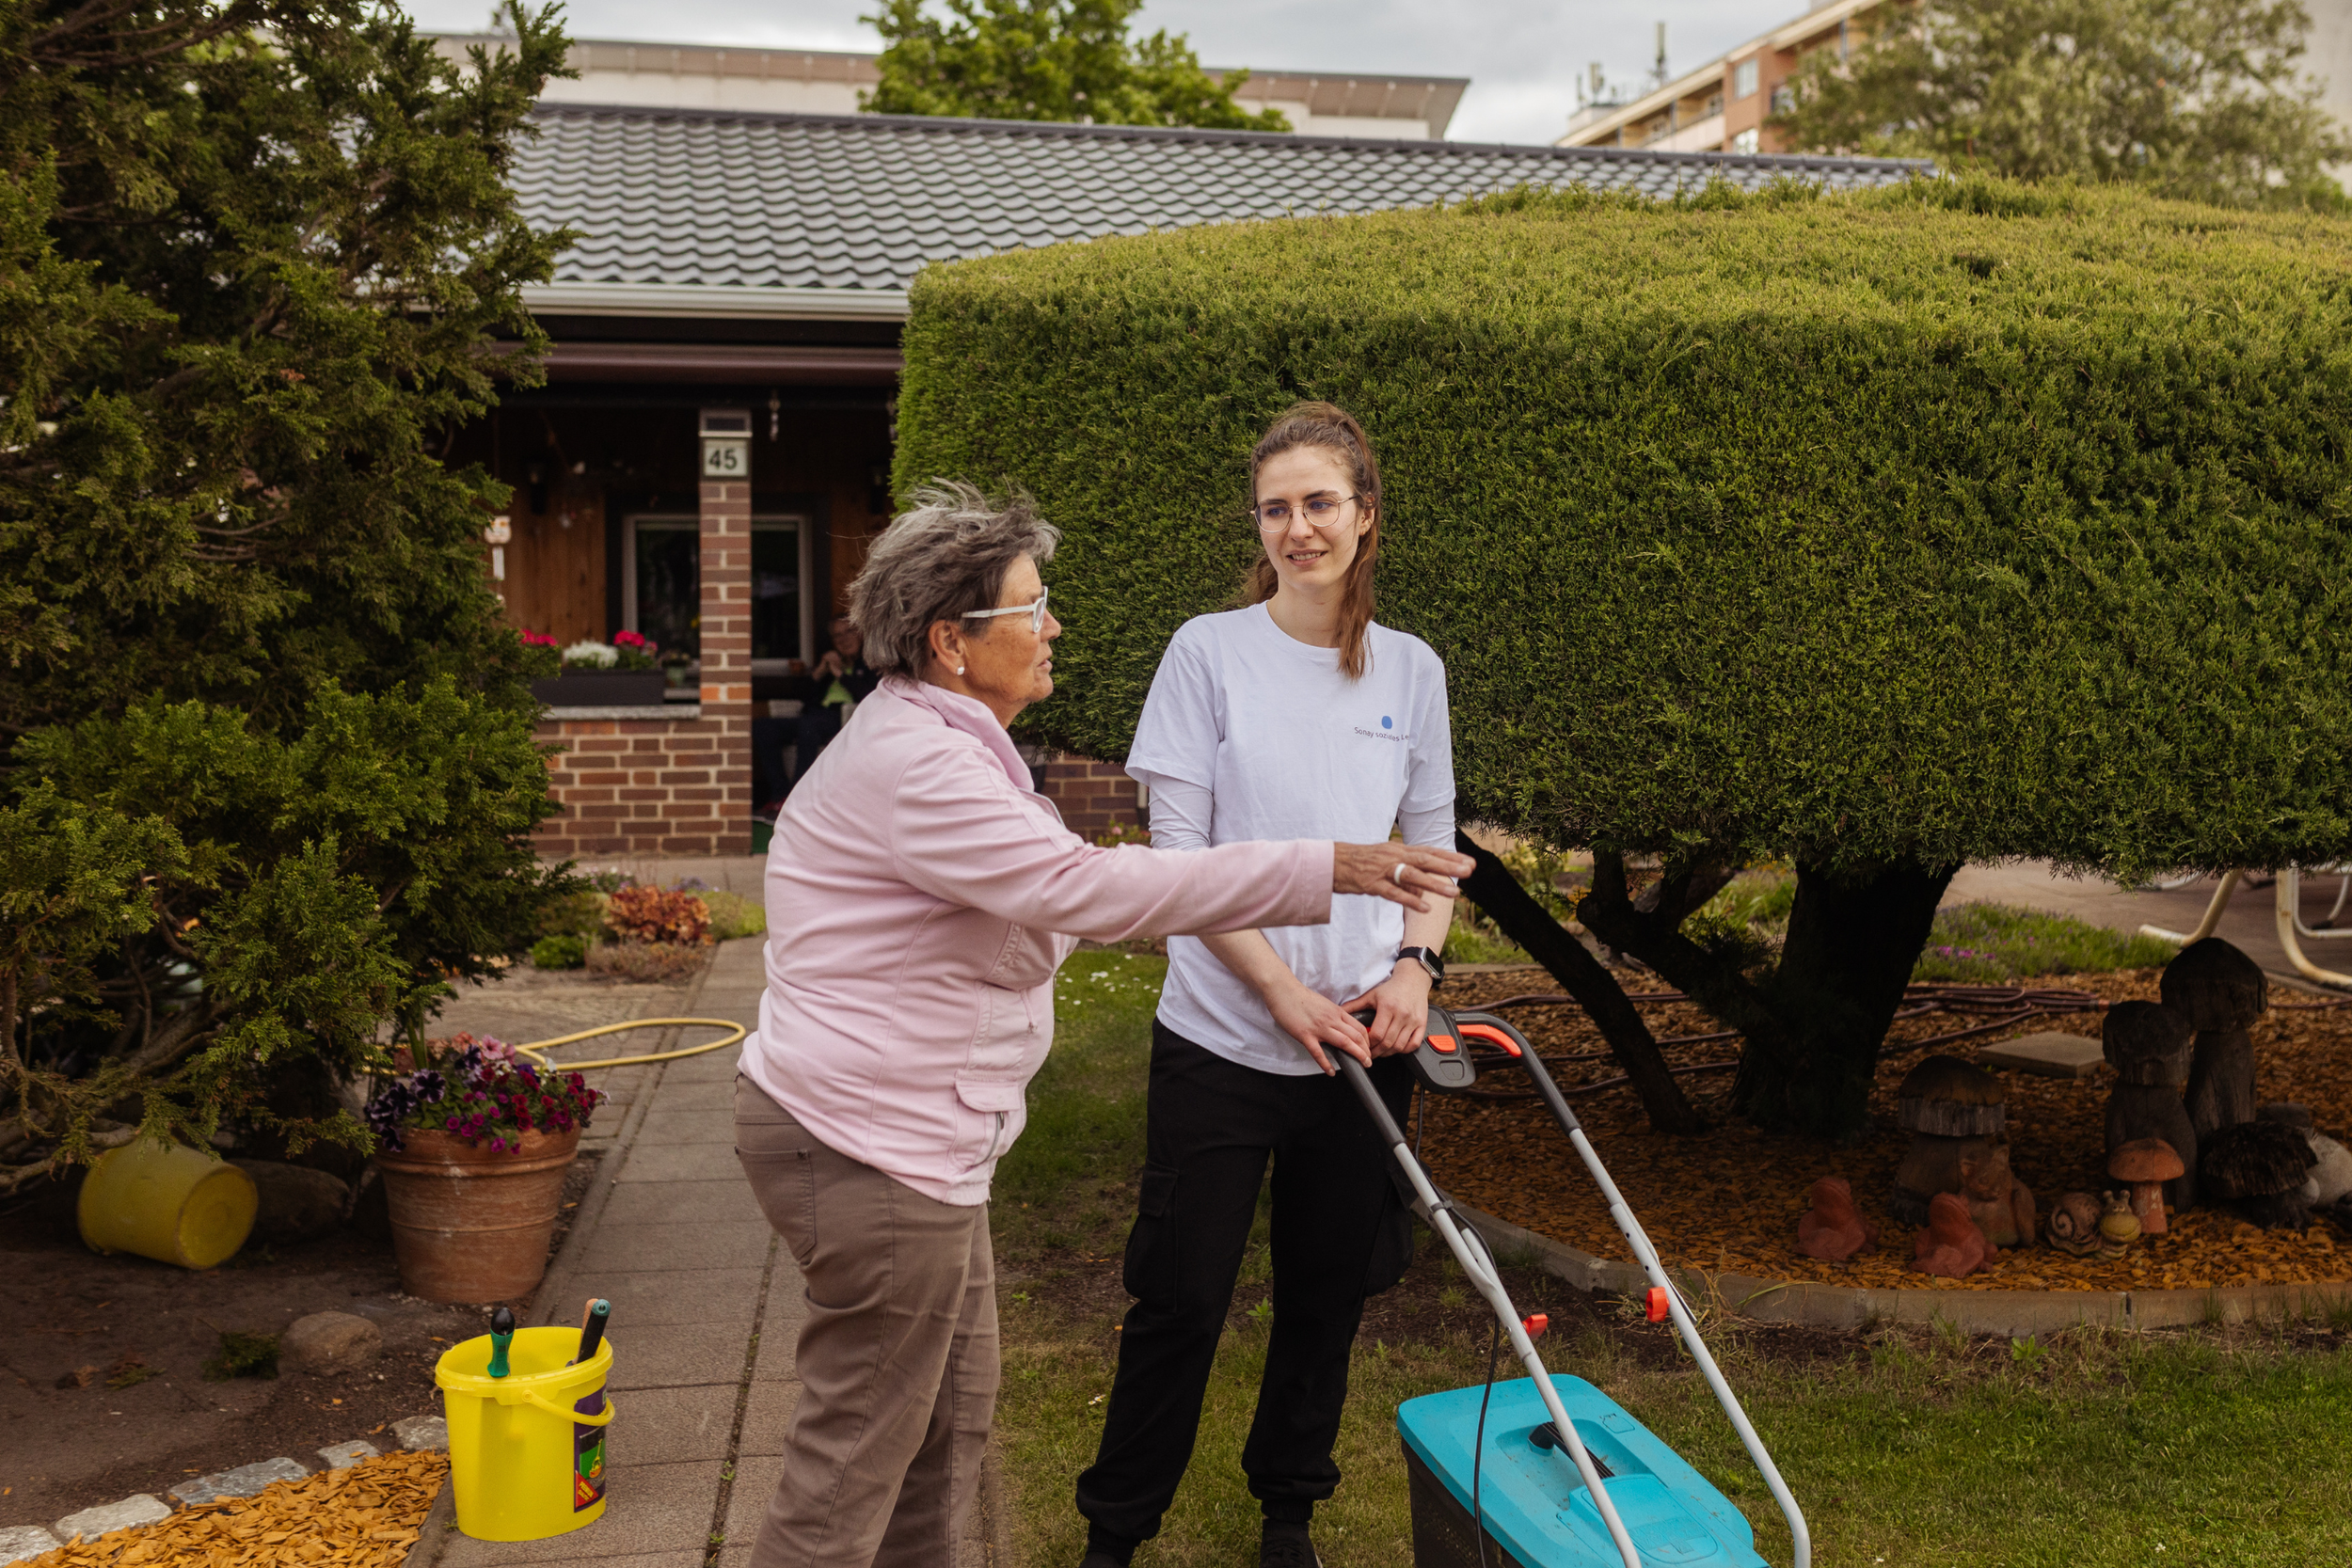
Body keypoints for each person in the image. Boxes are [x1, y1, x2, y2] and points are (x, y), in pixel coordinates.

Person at [733, 480, 1472, 1568]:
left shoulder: (955, 739)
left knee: (944, 1430)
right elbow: (1088, 891)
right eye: (1032, 608)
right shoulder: (924, 764)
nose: (1054, 625)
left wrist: (1403, 954)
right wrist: (1328, 864)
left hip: (916, 1148)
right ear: (951, 641)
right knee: (855, 1459)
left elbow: (1046, 908)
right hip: (871, 1148)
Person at [1074, 404, 1456, 1568]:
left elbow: (1434, 849)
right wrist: (1280, 995)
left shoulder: (1412, 668)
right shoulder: (1208, 651)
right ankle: (1115, 1530)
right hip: (1224, 1039)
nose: (1298, 527)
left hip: (1364, 1044)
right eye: (1276, 508)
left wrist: (1412, 968)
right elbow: (1179, 860)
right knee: (1180, 1298)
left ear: (1365, 516)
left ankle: (1286, 1510)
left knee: (1323, 1295)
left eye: (1319, 503)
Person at [752, 615, 881, 813]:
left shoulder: (871, 663)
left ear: (861, 634)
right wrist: (819, 672)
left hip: (844, 718)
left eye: (849, 632)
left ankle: (798, 799)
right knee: (763, 727)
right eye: (837, 636)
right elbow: (802, 698)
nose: (844, 639)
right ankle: (780, 796)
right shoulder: (830, 663)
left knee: (808, 726)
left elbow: (870, 695)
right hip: (814, 716)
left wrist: (840, 674)